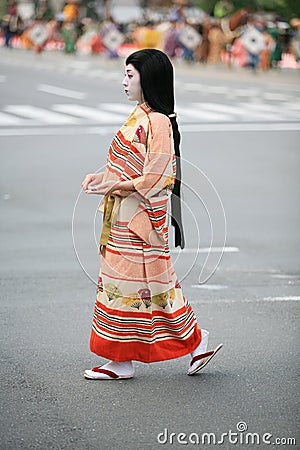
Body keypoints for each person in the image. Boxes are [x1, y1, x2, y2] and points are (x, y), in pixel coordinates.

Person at [82, 49, 223, 380]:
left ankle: (132, 358)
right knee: (148, 290)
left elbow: (158, 178)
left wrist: (115, 186)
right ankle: (143, 355)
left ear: (150, 78)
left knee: (141, 290)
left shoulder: (156, 121)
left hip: (140, 225)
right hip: (124, 219)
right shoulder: (138, 116)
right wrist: (100, 177)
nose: (124, 82)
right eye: (125, 74)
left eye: (130, 75)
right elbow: (124, 166)